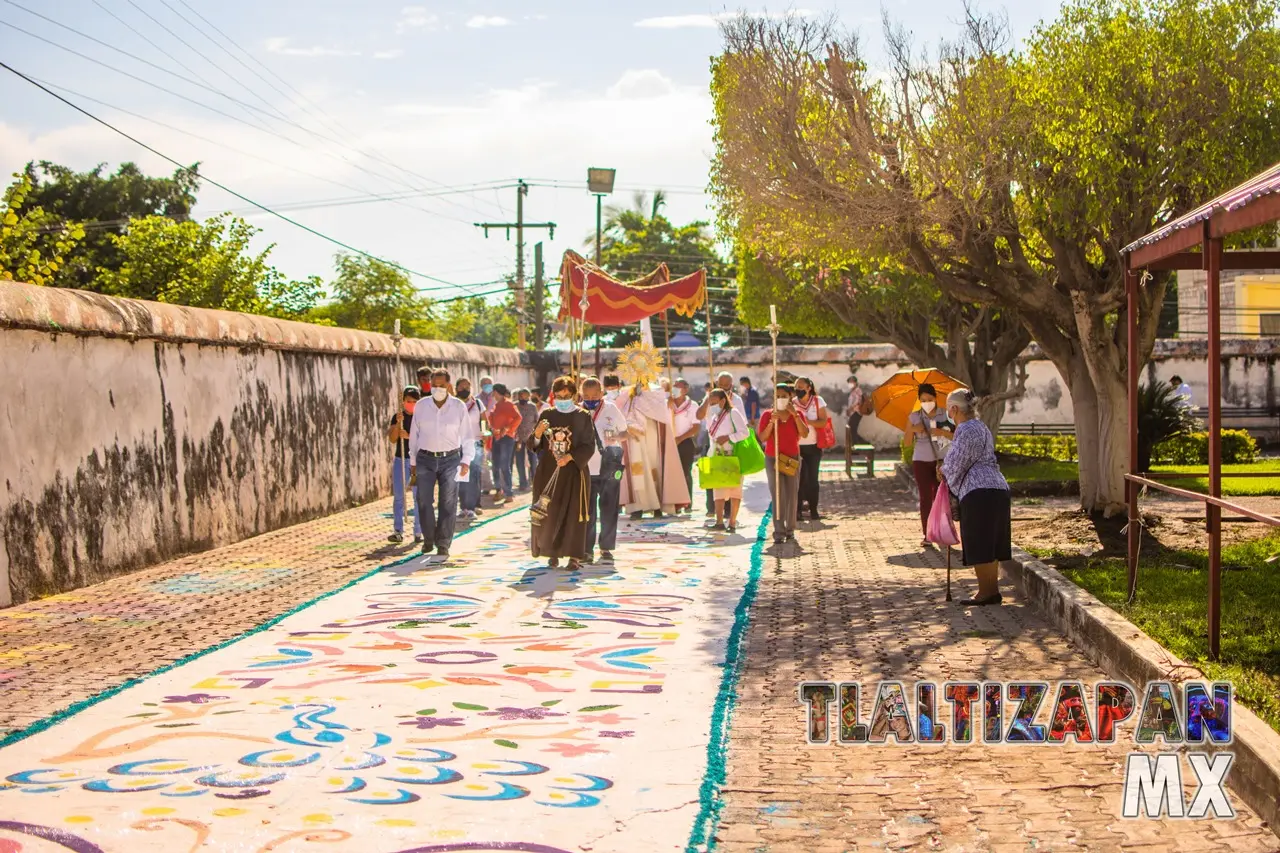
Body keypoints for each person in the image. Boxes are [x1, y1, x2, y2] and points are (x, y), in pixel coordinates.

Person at [940, 389, 1011, 606]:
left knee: (980, 542)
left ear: (954, 409)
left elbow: (956, 463)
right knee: (991, 543)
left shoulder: (965, 429)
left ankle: (985, 591)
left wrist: (942, 471)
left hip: (978, 491)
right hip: (997, 487)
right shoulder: (981, 427)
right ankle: (991, 590)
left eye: (947, 408)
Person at [528, 376, 596, 570]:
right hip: (549, 472)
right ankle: (552, 553)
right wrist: (538, 433)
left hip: (574, 471)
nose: (562, 399)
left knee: (574, 514)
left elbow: (589, 445)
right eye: (559, 395)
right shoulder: (547, 414)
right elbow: (534, 445)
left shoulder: (583, 416)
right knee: (550, 513)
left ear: (574, 396)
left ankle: (574, 556)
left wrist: (570, 457)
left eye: (567, 396)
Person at [408, 367, 473, 559]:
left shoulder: (458, 407)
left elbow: (467, 436)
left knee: (448, 501)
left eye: (441, 385)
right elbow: (414, 435)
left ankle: (443, 542)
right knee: (424, 500)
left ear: (448, 385)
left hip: (451, 459)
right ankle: (429, 540)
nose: (437, 389)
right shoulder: (421, 405)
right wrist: (412, 461)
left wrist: (466, 460)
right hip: (425, 459)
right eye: (434, 385)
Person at [615, 376, 690, 519]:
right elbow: (620, 411)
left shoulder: (656, 392)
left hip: (652, 432)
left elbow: (661, 413)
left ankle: (657, 505)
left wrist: (641, 399)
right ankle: (637, 507)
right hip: (633, 434)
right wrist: (633, 398)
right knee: (636, 469)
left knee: (654, 466)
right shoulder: (626, 392)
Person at [582, 376, 627, 563]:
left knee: (609, 508)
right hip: (585, 467)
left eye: (594, 395)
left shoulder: (611, 409)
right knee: (587, 511)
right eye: (586, 395)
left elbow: (626, 433)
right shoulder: (578, 410)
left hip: (608, 464)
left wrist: (615, 436)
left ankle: (606, 547)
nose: (591, 399)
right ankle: (586, 549)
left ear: (601, 393)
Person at [760, 383, 808, 543]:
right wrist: (772, 423)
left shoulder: (798, 414)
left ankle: (790, 529)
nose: (780, 399)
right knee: (777, 494)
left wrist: (795, 415)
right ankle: (778, 531)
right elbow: (763, 438)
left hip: (791, 458)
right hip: (773, 458)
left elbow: (804, 433)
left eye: (784, 396)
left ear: (790, 397)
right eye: (777, 396)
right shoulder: (768, 415)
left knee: (792, 494)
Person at [908, 383, 953, 548]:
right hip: (920, 460)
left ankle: (943, 531)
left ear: (936, 398)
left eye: (930, 399)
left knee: (941, 496)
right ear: (919, 401)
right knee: (926, 497)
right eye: (923, 400)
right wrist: (914, 428)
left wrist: (941, 432)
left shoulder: (946, 415)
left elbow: (956, 436)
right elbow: (907, 441)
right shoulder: (915, 416)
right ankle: (927, 533)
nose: (927, 402)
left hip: (941, 460)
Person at [697, 372, 747, 518]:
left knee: (731, 482)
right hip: (712, 444)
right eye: (721, 385)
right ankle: (712, 510)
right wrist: (708, 398)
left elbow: (743, 425)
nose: (724, 388)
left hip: (731, 447)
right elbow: (699, 416)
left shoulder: (736, 400)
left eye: (727, 386)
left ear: (731, 385)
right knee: (712, 478)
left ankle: (729, 515)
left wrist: (729, 437)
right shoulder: (710, 398)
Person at [704, 388, 751, 532]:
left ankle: (732, 522)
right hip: (717, 455)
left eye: (714, 402)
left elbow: (745, 432)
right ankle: (719, 521)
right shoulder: (714, 416)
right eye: (710, 403)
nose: (711, 405)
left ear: (723, 401)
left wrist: (728, 438)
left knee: (734, 490)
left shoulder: (733, 413)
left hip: (732, 455)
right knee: (717, 489)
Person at [387, 385, 423, 544]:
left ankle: (418, 531)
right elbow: (393, 439)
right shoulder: (397, 417)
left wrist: (408, 436)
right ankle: (398, 530)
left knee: (418, 497)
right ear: (403, 401)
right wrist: (397, 427)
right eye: (409, 401)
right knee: (399, 497)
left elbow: (425, 440)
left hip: (418, 460)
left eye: (415, 401)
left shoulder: (422, 417)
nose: (411, 404)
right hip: (401, 459)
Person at [793, 377, 829, 521]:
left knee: (812, 479)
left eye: (801, 387)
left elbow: (823, 422)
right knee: (799, 479)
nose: (798, 390)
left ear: (808, 388)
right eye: (796, 387)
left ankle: (814, 510)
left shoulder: (817, 401)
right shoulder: (793, 403)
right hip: (797, 446)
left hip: (814, 445)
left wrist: (807, 422)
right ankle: (798, 510)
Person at [455, 377, 487, 519]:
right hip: (458, 445)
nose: (465, 389)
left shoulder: (477, 403)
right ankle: (464, 507)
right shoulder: (453, 404)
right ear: (456, 389)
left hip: (475, 443)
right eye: (461, 387)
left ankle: (474, 505)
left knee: (474, 475)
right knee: (462, 475)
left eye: (467, 386)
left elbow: (484, 420)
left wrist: (485, 433)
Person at [670, 378, 701, 513]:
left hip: (685, 442)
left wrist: (680, 438)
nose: (676, 389)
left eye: (679, 387)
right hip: (669, 442)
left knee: (685, 472)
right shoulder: (668, 404)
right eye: (674, 386)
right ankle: (675, 503)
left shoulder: (692, 405)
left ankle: (687, 502)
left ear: (686, 389)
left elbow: (696, 427)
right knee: (671, 474)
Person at [488, 383, 522, 505]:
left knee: (504, 465)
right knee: (495, 465)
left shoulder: (509, 404)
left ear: (498, 392)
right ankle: (498, 490)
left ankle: (509, 493)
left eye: (494, 392)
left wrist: (507, 428)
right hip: (496, 438)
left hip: (507, 438)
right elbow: (491, 420)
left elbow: (518, 418)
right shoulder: (495, 406)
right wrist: (492, 428)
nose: (492, 394)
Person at [514, 388, 539, 491]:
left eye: (525, 396)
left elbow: (536, 421)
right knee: (519, 462)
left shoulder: (532, 407)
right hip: (517, 438)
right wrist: (517, 437)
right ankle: (522, 483)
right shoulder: (515, 406)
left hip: (530, 438)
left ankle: (534, 481)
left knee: (533, 461)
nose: (522, 398)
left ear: (529, 396)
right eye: (521, 396)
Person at [847, 375, 865, 444]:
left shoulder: (858, 390)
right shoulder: (852, 391)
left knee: (852, 430)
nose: (850, 383)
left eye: (852, 382)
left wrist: (850, 409)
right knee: (852, 430)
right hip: (853, 413)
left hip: (856, 413)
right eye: (849, 382)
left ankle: (858, 446)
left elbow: (857, 402)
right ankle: (862, 444)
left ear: (855, 382)